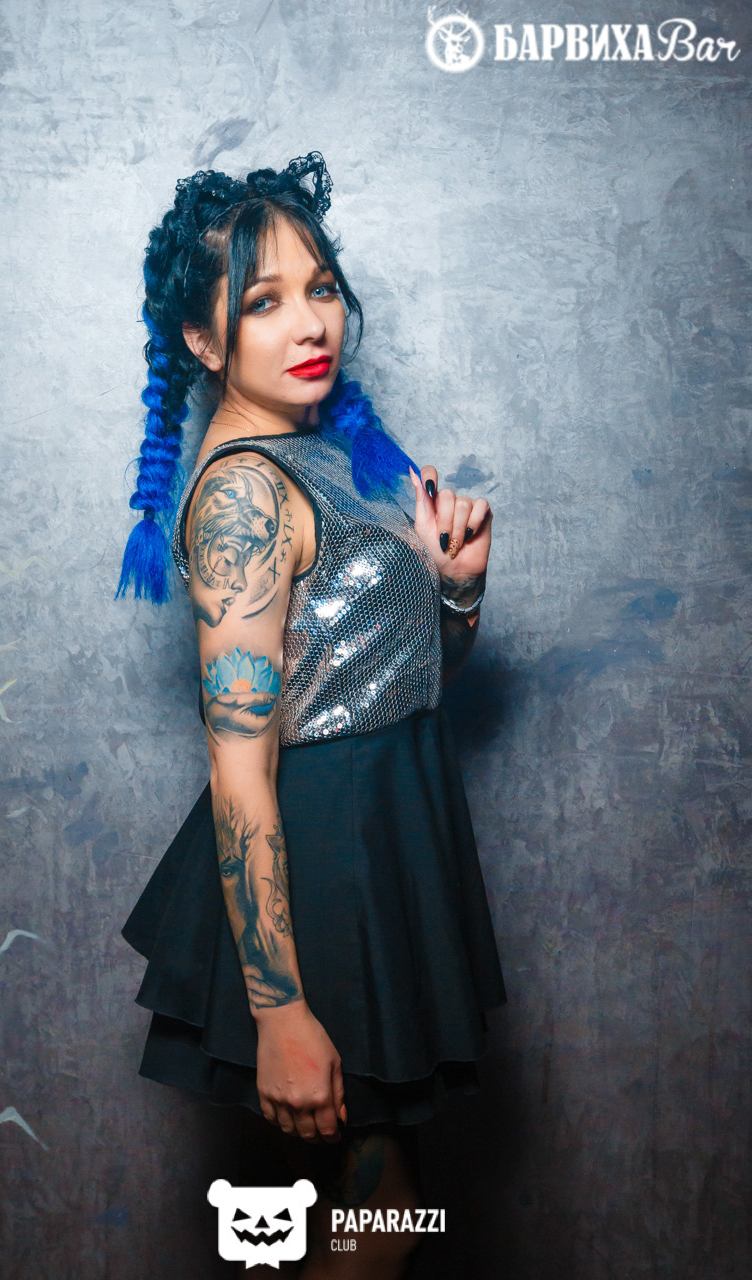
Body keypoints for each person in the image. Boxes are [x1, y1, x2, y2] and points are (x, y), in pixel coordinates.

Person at [117, 152, 507, 1279]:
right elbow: (239, 765)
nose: (309, 321)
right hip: (325, 869)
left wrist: (453, 590)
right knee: (377, 1203)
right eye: (263, 300)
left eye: (320, 286)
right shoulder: (243, 493)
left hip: (387, 840)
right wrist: (279, 1009)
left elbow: (393, 678)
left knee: (382, 1199)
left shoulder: (317, 454)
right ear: (203, 341)